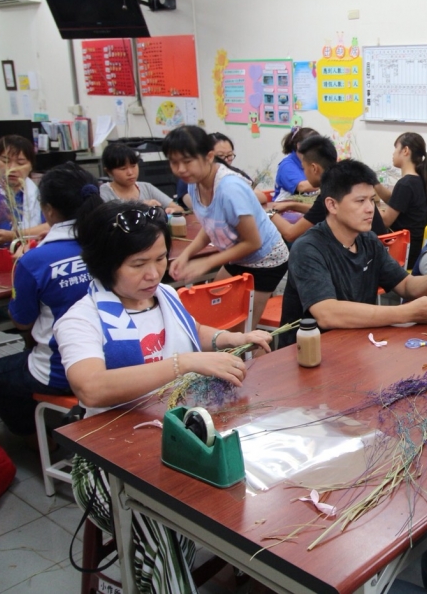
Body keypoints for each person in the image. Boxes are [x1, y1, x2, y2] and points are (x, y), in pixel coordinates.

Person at [55, 200, 271, 594]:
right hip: (107, 458)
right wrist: (182, 363)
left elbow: (193, 329)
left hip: (175, 435)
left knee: (252, 474)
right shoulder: (81, 319)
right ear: (105, 264)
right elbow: (91, 386)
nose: (153, 273)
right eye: (138, 264)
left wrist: (230, 338)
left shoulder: (165, 296)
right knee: (159, 520)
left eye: (159, 259)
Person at [0, 164, 101, 436]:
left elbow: (22, 323)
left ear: (48, 210)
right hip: (121, 357)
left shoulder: (35, 260)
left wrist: (22, 266)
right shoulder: (111, 242)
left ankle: (38, 442)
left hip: (63, 371)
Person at [279, 159, 427, 343]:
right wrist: (406, 313)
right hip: (309, 352)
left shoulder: (369, 241)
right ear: (332, 205)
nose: (370, 209)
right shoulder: (308, 248)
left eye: (372, 200)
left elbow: (406, 286)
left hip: (356, 343)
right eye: (360, 201)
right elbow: (327, 314)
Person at [165, 126, 289, 329]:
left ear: (209, 156)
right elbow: (210, 225)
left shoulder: (230, 188)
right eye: (173, 162)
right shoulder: (194, 182)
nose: (180, 169)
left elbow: (253, 242)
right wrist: (186, 255)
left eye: (187, 161)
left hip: (266, 260)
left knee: (238, 331)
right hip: (237, 256)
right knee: (215, 319)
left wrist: (207, 262)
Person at [268, 134, 387, 243]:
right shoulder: (343, 180)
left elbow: (290, 234)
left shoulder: (332, 191)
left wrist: (269, 213)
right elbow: (322, 210)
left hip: (367, 250)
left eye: (304, 168)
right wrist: (292, 205)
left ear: (314, 168)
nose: (304, 173)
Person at [374, 132, 427, 268]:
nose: (393, 153)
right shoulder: (419, 180)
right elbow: (395, 200)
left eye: (396, 148)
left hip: (404, 252)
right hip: (416, 249)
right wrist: (374, 182)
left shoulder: (405, 184)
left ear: (405, 150)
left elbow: (386, 221)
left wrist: (368, 205)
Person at [0, 135, 48, 247]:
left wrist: (14, 235)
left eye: (20, 163)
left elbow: (52, 226)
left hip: (29, 252)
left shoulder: (42, 193)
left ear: (31, 166)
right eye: (5, 161)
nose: (12, 168)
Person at [177, 133, 257, 210]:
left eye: (229, 155)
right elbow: (201, 207)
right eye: (220, 156)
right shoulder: (189, 179)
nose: (226, 160)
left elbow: (258, 194)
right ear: (208, 156)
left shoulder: (234, 173)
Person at [99, 142, 183, 213]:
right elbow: (106, 217)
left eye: (133, 166)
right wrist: (141, 205)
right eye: (123, 169)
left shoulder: (146, 187)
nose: (130, 172)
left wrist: (171, 210)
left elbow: (178, 208)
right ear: (109, 171)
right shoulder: (103, 192)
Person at [272, 126, 319, 203]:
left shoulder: (314, 162)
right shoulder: (286, 165)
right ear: (299, 146)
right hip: (284, 207)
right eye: (313, 147)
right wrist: (328, 184)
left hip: (305, 205)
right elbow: (302, 187)